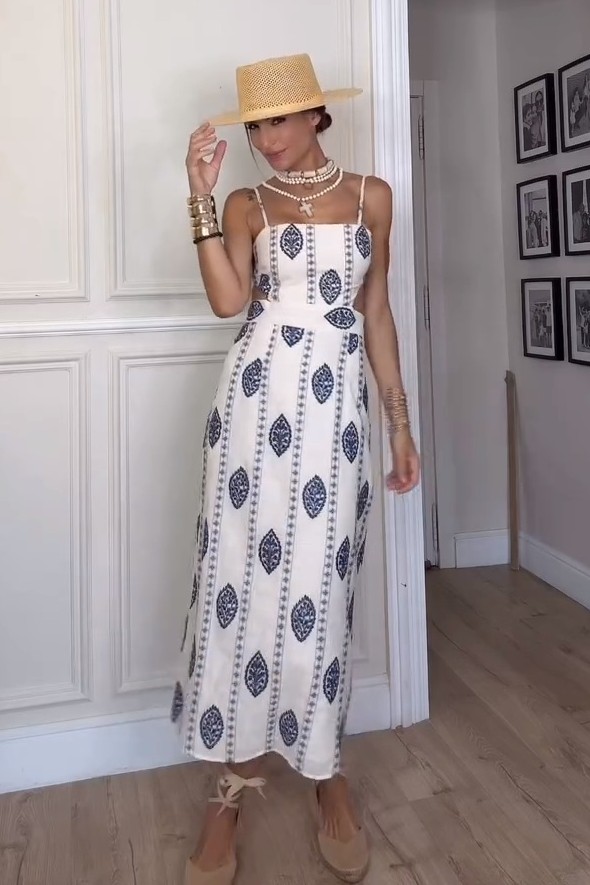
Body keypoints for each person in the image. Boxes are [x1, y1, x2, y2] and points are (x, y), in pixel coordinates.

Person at [171, 53, 420, 885]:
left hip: (334, 414)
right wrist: (200, 194)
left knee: (321, 590)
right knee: (236, 590)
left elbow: (375, 311)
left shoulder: (373, 196)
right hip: (252, 410)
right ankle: (229, 791)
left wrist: (399, 424)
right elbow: (227, 303)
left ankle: (325, 771)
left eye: (278, 120)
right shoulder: (245, 203)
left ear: (316, 114)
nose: (265, 138)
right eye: (255, 125)